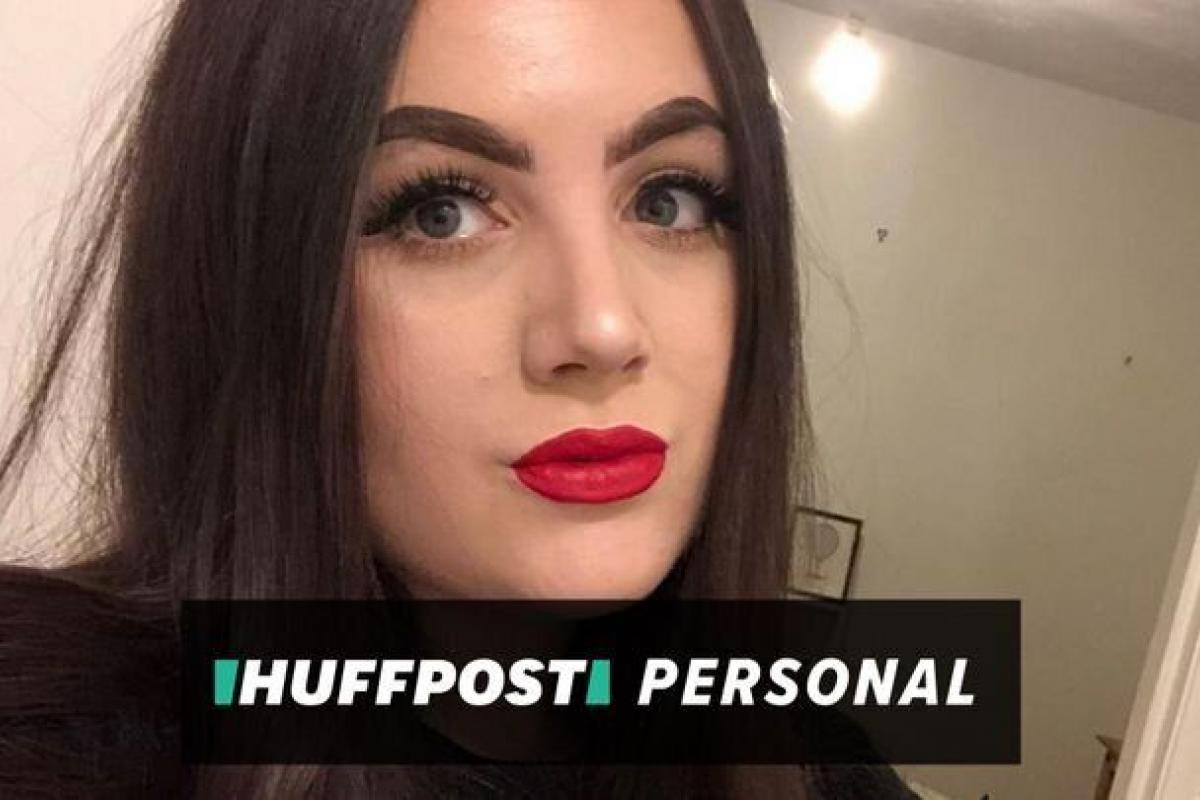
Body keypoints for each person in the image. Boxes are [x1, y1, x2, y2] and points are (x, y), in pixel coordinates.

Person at [0, 1, 918, 796]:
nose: (602, 328)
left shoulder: (813, 760)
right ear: (250, 275)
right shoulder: (50, 740)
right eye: (440, 211)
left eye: (668, 201)